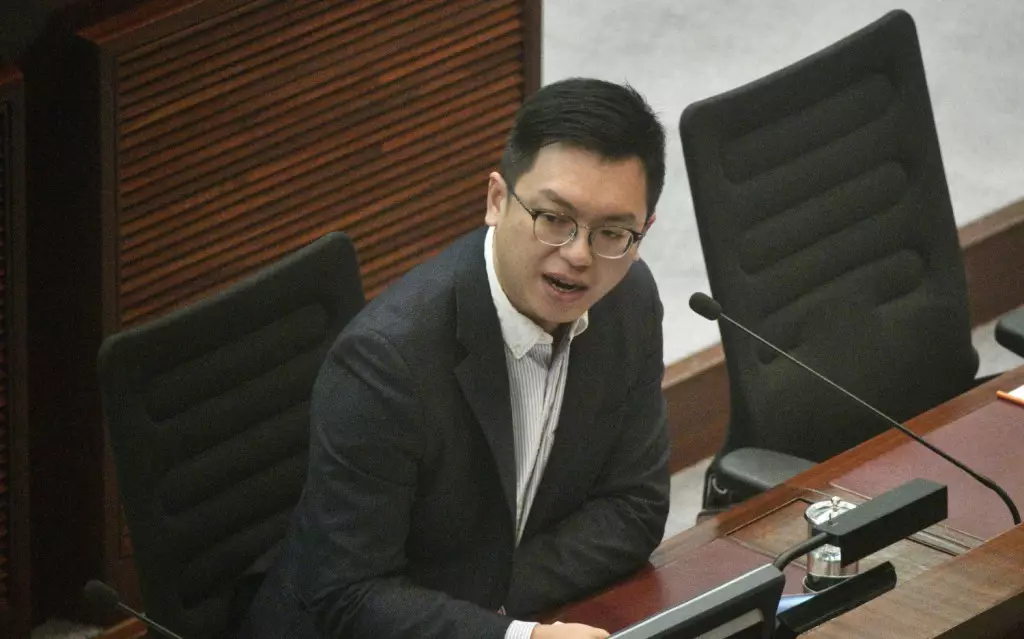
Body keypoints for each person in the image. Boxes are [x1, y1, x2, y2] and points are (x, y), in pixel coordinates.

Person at [238, 77, 670, 639]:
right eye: (554, 219)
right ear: (496, 200)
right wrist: (516, 637)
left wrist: (500, 610)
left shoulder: (629, 302)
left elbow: (635, 506)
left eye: (613, 232)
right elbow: (348, 594)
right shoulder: (387, 363)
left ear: (645, 231)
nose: (579, 255)